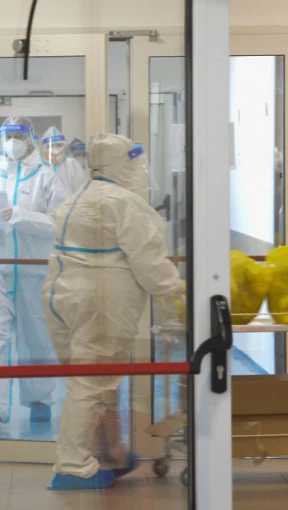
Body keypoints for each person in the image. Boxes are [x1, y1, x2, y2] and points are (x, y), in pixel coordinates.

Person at [41, 133, 185, 490]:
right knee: (91, 383)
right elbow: (152, 268)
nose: (140, 170)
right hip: (100, 303)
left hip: (62, 297)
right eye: (134, 163)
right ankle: (73, 466)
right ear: (122, 165)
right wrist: (180, 293)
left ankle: (107, 453)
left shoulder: (79, 197)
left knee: (92, 382)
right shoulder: (125, 204)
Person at [0, 116, 63, 430]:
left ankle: (39, 398)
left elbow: (60, 223)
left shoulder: (47, 178)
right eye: (8, 136)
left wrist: (21, 216)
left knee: (36, 335)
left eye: (19, 136)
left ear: (31, 140)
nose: (13, 142)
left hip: (33, 269)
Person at [40, 126, 87, 198]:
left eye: (58, 145)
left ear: (64, 146)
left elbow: (81, 192)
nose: (55, 149)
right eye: (51, 146)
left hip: (69, 204)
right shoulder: (37, 167)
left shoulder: (72, 165)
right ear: (44, 148)